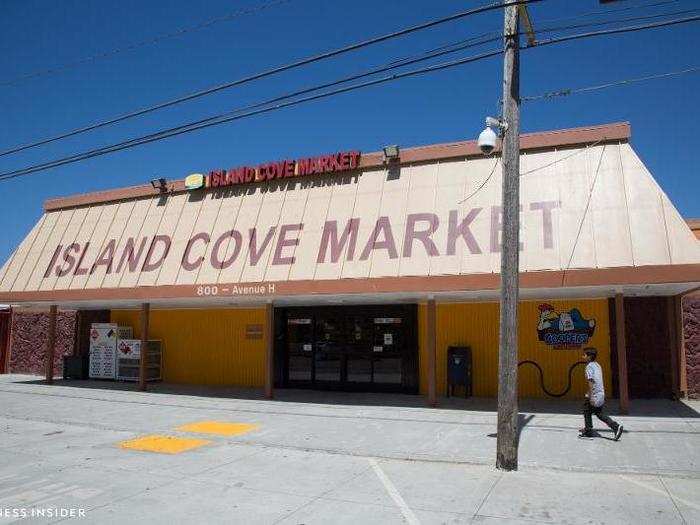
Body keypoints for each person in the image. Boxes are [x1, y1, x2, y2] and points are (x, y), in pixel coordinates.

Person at [579, 347, 624, 440]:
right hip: (600, 393)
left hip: (594, 394)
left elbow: (591, 381)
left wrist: (590, 396)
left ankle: (589, 431)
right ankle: (615, 427)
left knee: (587, 410)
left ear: (590, 356)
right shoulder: (597, 365)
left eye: (584, 355)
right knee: (598, 413)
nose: (583, 356)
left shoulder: (589, 366)